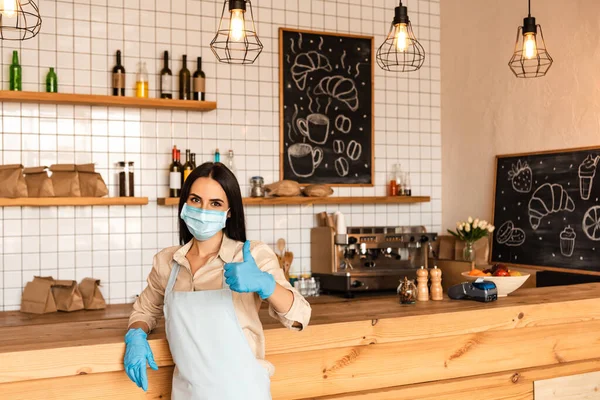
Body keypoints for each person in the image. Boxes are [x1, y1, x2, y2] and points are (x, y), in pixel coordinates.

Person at [123, 162, 311, 399]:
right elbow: (145, 311)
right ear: (184, 204)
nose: (203, 210)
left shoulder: (251, 255)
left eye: (215, 203)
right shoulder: (167, 262)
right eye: (195, 200)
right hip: (187, 394)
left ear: (229, 211)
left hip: (243, 392)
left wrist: (266, 284)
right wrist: (136, 335)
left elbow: (300, 316)